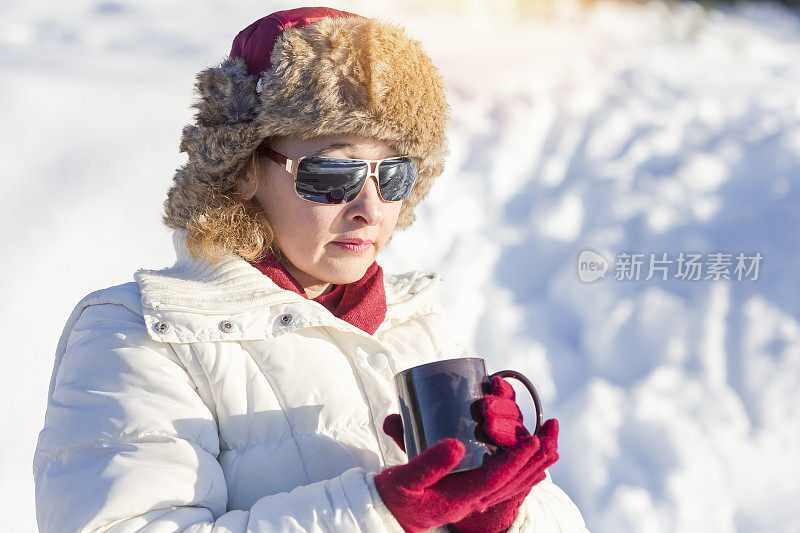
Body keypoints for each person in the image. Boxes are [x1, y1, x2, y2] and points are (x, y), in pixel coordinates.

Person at [32, 7, 589, 532]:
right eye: (332, 171)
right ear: (244, 169)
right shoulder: (142, 335)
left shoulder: (416, 326)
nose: (369, 208)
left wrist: (502, 510)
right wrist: (379, 512)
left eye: (393, 174)